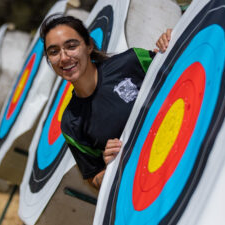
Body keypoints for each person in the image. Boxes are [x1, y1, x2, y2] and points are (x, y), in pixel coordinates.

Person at [40, 14, 172, 189]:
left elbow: (184, 73)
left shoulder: (132, 60)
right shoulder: (71, 122)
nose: (63, 58)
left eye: (71, 46)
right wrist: (109, 164)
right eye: (54, 52)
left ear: (88, 46)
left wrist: (172, 39)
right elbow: (93, 177)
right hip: (155, 184)